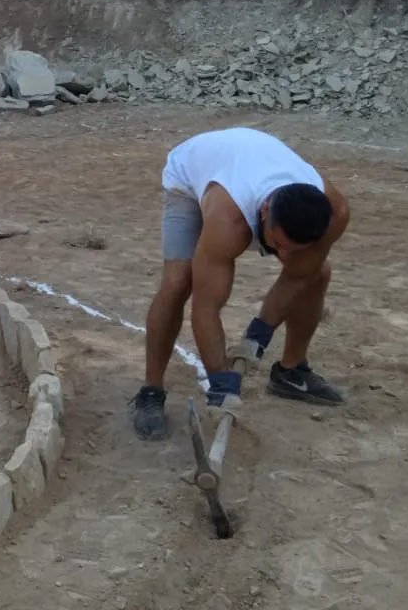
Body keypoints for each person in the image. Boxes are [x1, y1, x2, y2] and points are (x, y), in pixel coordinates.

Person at [129, 126, 352, 441]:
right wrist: (222, 383)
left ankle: (290, 372)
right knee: (179, 282)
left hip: (251, 160)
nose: (285, 255)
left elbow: (297, 275)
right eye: (278, 243)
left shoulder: (335, 212)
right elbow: (206, 308)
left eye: (294, 249)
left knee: (317, 273)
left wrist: (258, 335)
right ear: (263, 213)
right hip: (192, 173)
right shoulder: (227, 220)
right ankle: (151, 391)